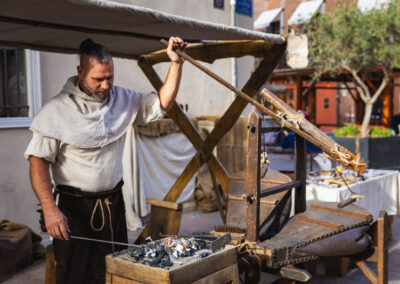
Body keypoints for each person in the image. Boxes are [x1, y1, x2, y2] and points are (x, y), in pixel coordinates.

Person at [24, 37, 186, 283]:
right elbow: (37, 162)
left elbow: (162, 104)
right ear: (80, 72)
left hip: (113, 205)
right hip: (73, 210)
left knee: (117, 272)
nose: (105, 85)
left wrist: (175, 64)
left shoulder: (123, 100)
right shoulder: (56, 110)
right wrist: (49, 209)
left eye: (110, 77)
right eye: (97, 79)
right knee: (75, 276)